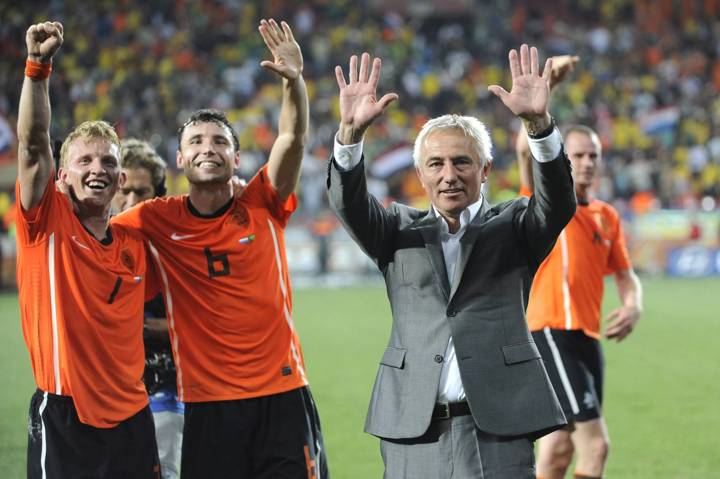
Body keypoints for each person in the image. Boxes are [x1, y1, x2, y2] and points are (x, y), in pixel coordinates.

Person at [327, 45, 576, 478]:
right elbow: (349, 204)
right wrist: (349, 135)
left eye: (462, 162)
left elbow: (557, 204)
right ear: (419, 174)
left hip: (498, 428)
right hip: (414, 429)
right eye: (436, 164)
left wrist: (539, 127)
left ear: (485, 170)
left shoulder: (515, 225)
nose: (449, 174)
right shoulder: (394, 231)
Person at [112, 19, 328, 478]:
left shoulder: (263, 203)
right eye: (196, 141)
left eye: (219, 142)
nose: (208, 148)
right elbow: (95, 225)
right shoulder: (155, 218)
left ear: (235, 157)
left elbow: (292, 140)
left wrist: (294, 82)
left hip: (281, 394)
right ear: (180, 159)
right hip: (208, 404)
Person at [15, 21, 159, 477]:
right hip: (65, 418)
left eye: (108, 163)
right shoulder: (46, 223)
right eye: (84, 160)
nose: (97, 169)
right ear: (62, 176)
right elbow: (34, 144)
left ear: (121, 181)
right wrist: (38, 68)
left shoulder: (136, 240)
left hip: (135, 417)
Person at [517, 60, 643, 479]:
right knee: (597, 445)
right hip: (550, 331)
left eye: (594, 155)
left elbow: (625, 272)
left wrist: (633, 304)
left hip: (587, 339)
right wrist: (545, 90)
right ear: (561, 159)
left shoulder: (607, 216)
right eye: (578, 155)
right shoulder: (548, 204)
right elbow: (524, 149)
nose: (587, 162)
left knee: (557, 449)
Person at [113, 138, 183, 479]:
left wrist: (128, 328)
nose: (129, 201)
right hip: (104, 402)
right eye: (122, 190)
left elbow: (199, 327)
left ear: (158, 195)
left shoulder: (175, 254)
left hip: (166, 396)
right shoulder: (88, 249)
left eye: (141, 192)